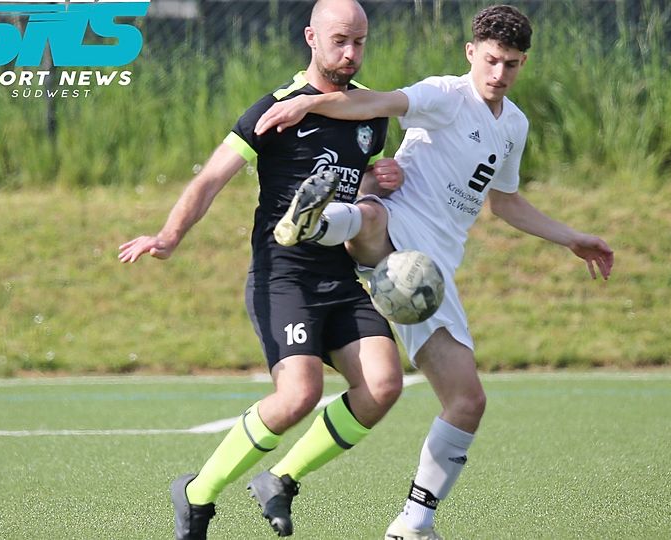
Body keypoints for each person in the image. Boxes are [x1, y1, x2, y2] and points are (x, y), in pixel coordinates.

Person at [255, 5, 615, 539]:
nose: (499, 73)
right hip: (394, 228)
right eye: (490, 60)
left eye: (511, 64)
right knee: (372, 216)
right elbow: (375, 102)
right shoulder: (445, 94)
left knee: (467, 401)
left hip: (430, 273)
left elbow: (505, 203)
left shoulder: (514, 125)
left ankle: (412, 522)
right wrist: (311, 101)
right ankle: (314, 221)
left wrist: (571, 238)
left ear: (523, 63)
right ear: (471, 52)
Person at [118, 1, 406, 538]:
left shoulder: (370, 111)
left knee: (384, 384)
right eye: (340, 40)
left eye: (359, 42)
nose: (350, 53)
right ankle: (197, 494)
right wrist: (169, 236)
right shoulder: (275, 109)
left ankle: (281, 479)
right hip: (283, 277)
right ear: (311, 37)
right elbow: (210, 178)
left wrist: (378, 180)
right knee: (298, 395)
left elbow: (357, 185)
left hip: (339, 276)